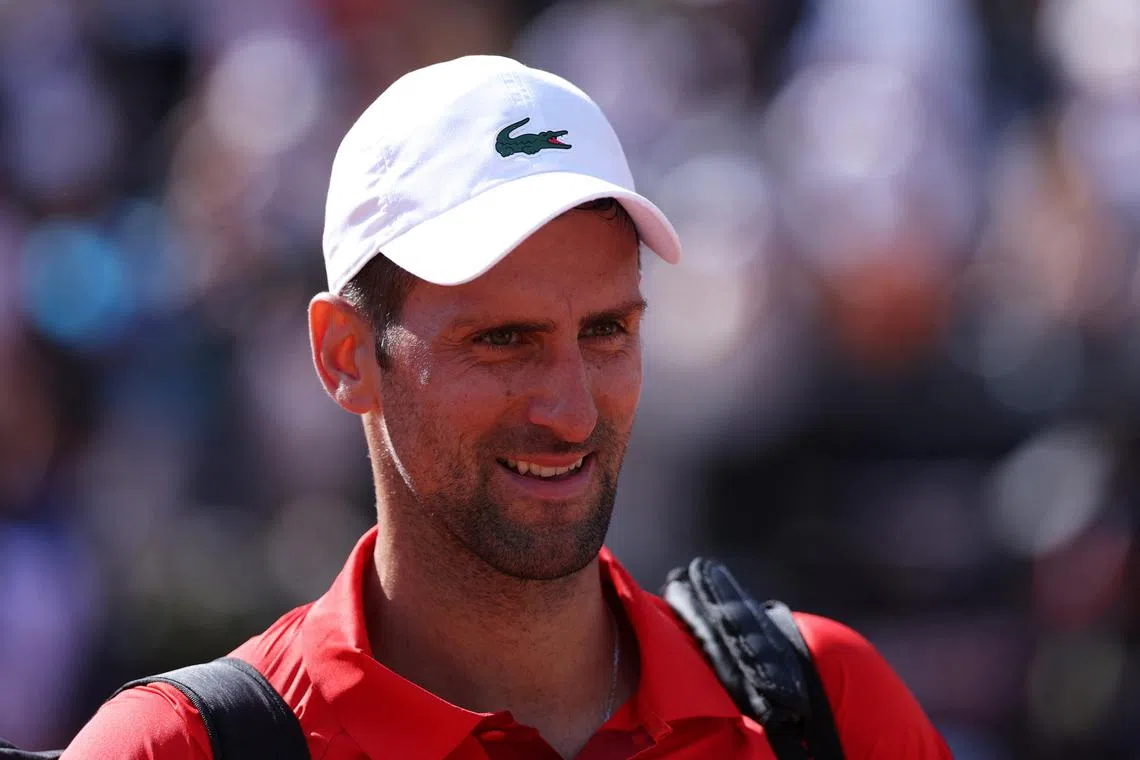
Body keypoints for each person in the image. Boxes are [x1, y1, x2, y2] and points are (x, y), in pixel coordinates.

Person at [63, 55, 952, 759]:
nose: (570, 409)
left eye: (606, 330)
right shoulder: (170, 750)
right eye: (503, 340)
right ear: (345, 356)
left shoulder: (826, 705)